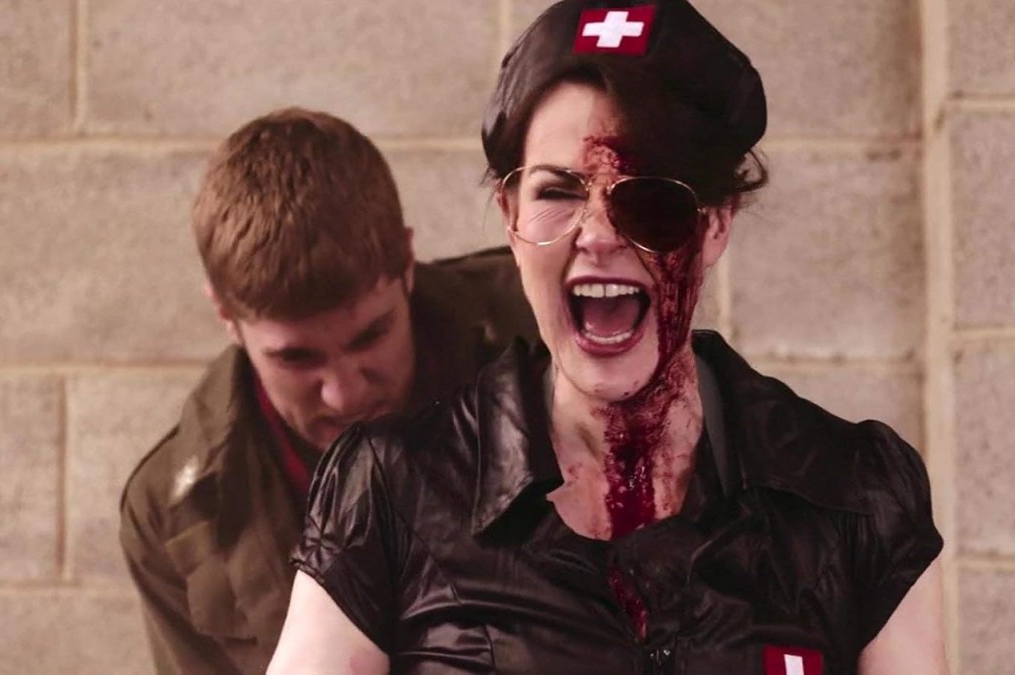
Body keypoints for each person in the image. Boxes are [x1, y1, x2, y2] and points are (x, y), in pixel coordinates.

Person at [269, 2, 947, 673]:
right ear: (510, 216)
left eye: (647, 195)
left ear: (714, 222)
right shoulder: (392, 491)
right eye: (557, 192)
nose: (597, 234)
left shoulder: (855, 495)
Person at [118, 107, 538, 674]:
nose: (343, 394)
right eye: (296, 358)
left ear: (406, 263)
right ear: (226, 316)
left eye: (371, 336)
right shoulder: (174, 517)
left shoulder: (544, 336)